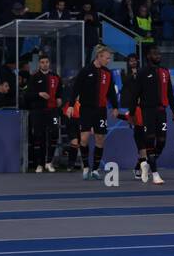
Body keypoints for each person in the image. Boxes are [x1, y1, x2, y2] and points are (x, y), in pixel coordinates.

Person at [72, 44, 120, 181]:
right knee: (84, 139)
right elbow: (76, 88)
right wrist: (70, 105)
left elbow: (111, 92)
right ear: (99, 57)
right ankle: (86, 166)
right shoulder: (86, 70)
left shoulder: (107, 73)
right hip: (86, 109)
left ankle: (95, 169)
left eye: (109, 58)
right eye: (107, 58)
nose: (108, 60)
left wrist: (115, 107)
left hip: (100, 110)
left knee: (100, 139)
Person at [136, 47, 173, 184]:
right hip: (147, 111)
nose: (157, 56)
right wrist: (133, 111)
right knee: (150, 140)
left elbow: (170, 92)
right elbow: (136, 93)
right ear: (148, 56)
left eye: (159, 53)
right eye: (154, 54)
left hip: (162, 111)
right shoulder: (143, 72)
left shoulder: (165, 71)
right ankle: (155, 174)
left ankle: (146, 164)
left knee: (162, 141)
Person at [26, 54, 62, 173]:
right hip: (38, 111)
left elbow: (60, 93)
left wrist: (59, 99)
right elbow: (27, 95)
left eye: (46, 62)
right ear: (39, 64)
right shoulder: (34, 77)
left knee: (54, 134)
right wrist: (39, 94)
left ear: (49, 63)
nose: (44, 64)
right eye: (42, 62)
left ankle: (49, 162)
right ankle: (39, 164)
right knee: (38, 136)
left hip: (52, 111)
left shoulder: (56, 77)